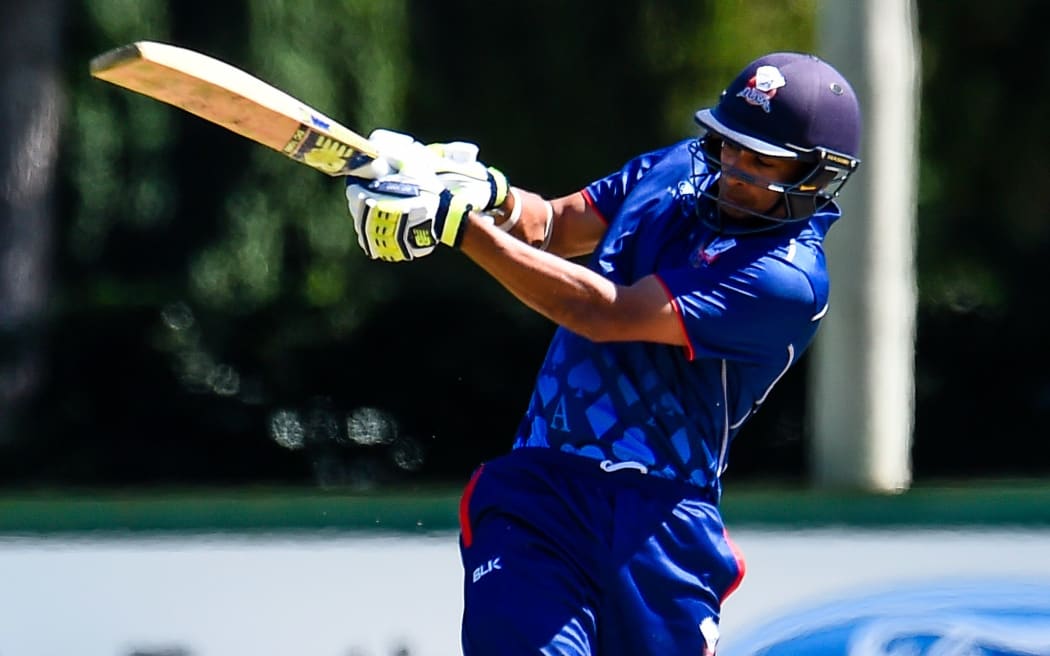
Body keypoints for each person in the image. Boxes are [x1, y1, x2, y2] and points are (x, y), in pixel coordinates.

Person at [345, 51, 862, 655]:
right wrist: (492, 196)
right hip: (542, 490)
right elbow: (557, 225)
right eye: (728, 145)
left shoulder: (786, 280)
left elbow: (606, 314)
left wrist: (458, 227)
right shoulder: (675, 169)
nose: (734, 170)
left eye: (760, 159)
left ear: (814, 174)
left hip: (661, 524)